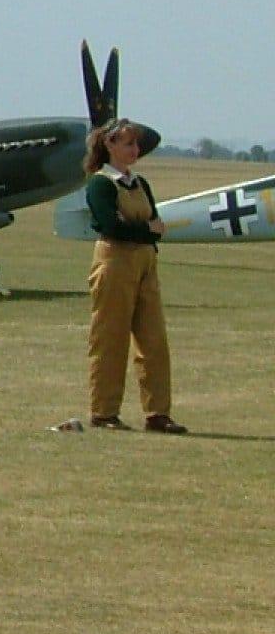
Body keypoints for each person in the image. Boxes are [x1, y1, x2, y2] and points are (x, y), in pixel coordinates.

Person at [81, 119, 185, 433]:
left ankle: (157, 413)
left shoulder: (140, 183)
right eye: (128, 144)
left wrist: (145, 231)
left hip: (145, 261)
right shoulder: (100, 184)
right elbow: (112, 226)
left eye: (136, 145)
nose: (134, 150)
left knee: (154, 340)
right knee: (110, 337)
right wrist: (145, 230)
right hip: (115, 260)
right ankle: (104, 411)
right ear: (109, 146)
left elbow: (155, 222)